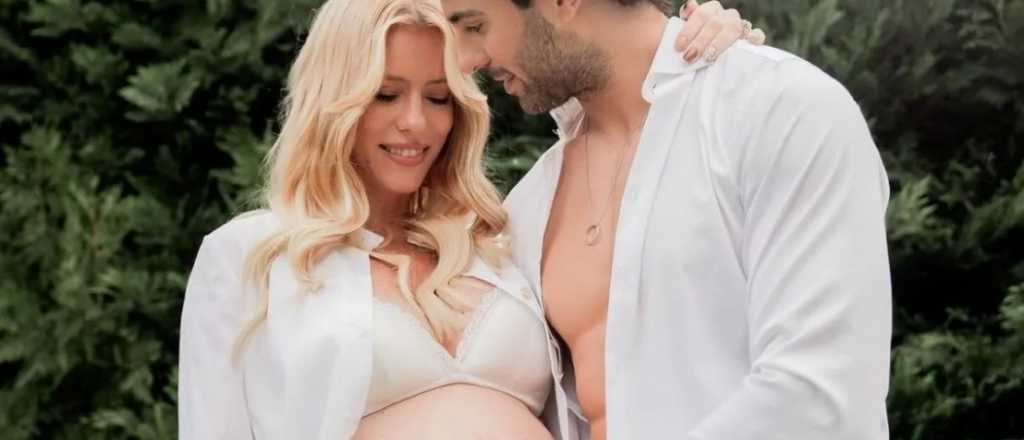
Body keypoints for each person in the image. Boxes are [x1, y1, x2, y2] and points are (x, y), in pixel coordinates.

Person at [176, 0, 757, 438]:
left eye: (437, 98)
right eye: (385, 95)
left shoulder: (503, 239)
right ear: (336, 100)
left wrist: (691, 52)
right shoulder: (251, 256)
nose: (415, 123)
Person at [440, 0, 893, 439]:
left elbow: (823, 399)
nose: (464, 62)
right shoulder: (529, 205)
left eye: (476, 26)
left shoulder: (779, 109)